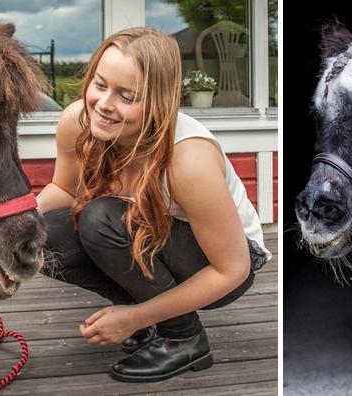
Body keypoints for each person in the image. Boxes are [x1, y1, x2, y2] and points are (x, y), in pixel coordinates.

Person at [36, 26, 271, 383]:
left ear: (159, 101)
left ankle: (183, 337)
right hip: (147, 232)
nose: (104, 104)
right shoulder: (78, 121)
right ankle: (150, 314)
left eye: (126, 96)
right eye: (100, 85)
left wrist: (135, 318)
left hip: (225, 261)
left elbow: (231, 271)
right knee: (36, 235)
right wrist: (5, 223)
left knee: (100, 219)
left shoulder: (187, 158)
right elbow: (63, 191)